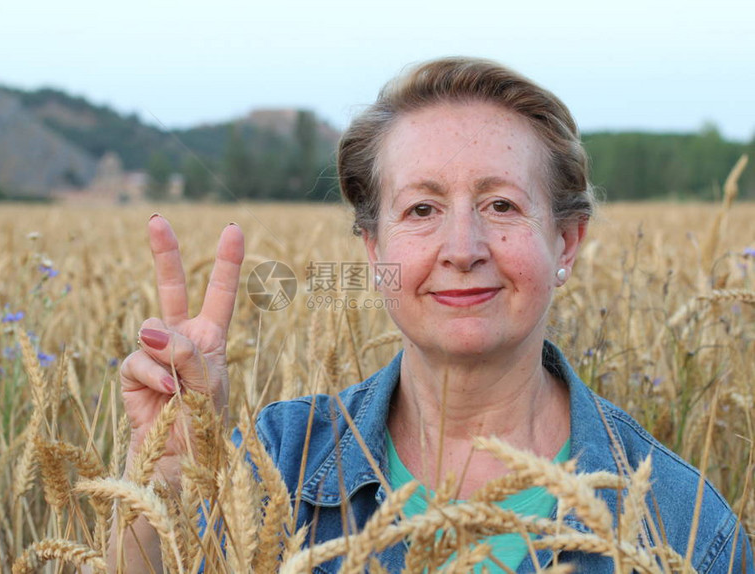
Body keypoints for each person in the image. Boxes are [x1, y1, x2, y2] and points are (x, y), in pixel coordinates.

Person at [116, 58, 753, 572]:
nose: (463, 249)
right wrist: (161, 479)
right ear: (374, 249)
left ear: (566, 242)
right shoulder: (275, 463)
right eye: (421, 210)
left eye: (502, 205)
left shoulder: (686, 524)